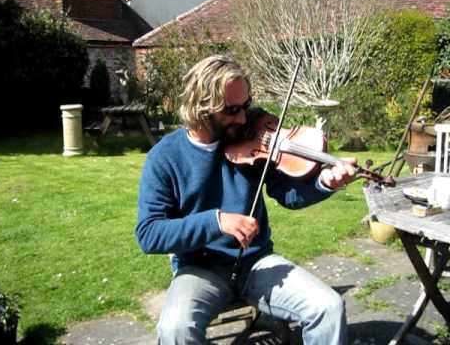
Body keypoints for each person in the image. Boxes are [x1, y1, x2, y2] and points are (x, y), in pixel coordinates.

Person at [136, 55, 356, 345]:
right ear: (201, 107)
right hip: (200, 269)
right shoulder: (165, 158)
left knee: (328, 307)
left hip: (257, 262)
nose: (242, 118)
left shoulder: (253, 141)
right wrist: (215, 222)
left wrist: (324, 182)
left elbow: (289, 194)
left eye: (246, 106)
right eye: (231, 110)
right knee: (175, 329)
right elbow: (149, 234)